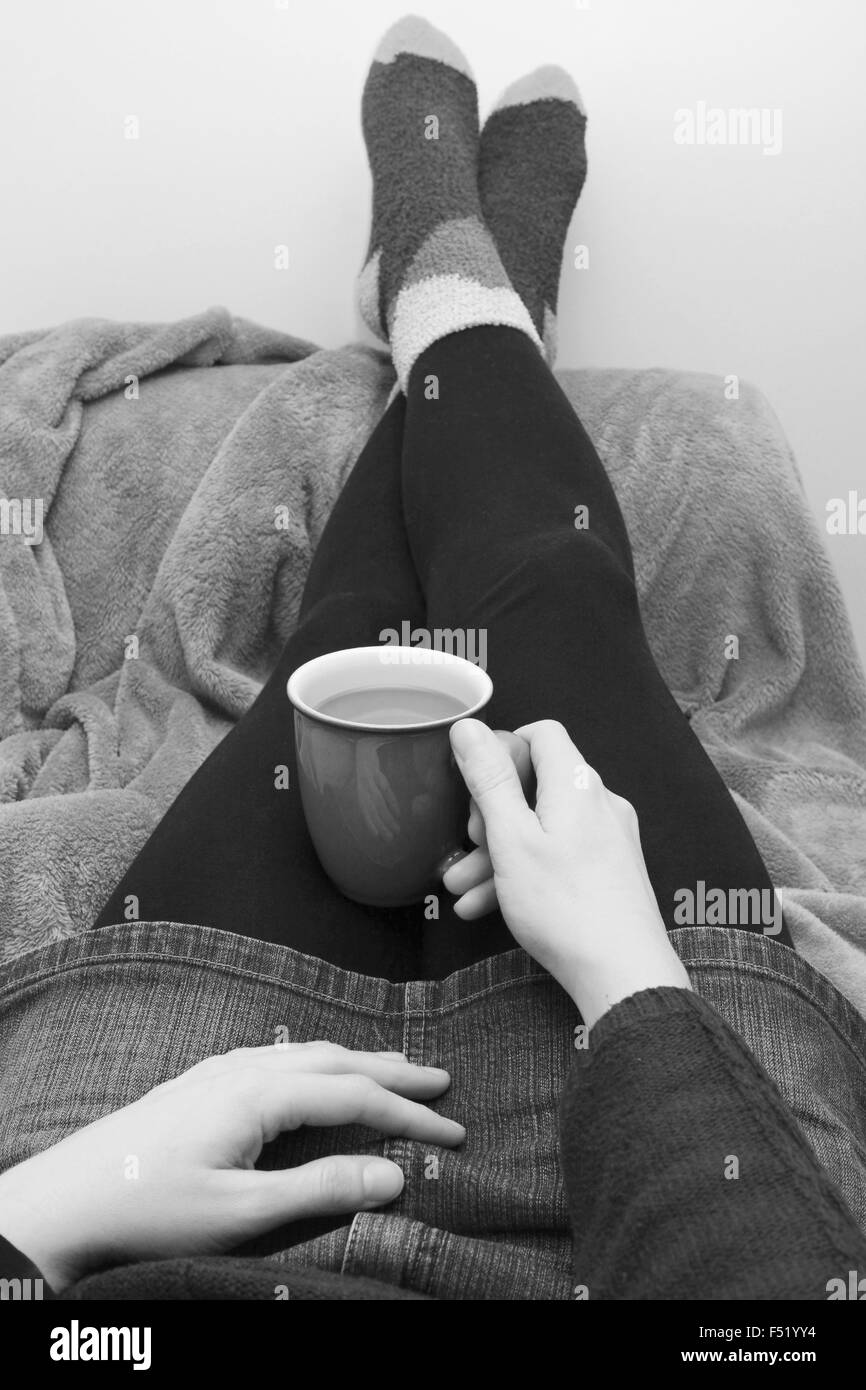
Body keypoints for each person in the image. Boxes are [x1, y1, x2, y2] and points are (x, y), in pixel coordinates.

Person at [0, 16, 864, 1301]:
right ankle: (465, 298)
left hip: (141, 1134)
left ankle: (446, 293)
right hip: (668, 1145)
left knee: (345, 637)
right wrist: (627, 969)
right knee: (555, 585)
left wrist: (39, 1214)